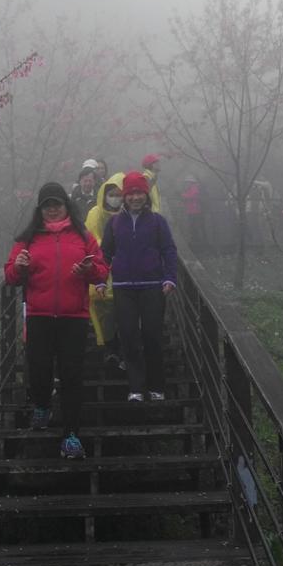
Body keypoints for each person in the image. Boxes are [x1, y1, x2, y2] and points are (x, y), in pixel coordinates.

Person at [4, 182, 109, 458]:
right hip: (38, 315)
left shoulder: (83, 236)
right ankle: (42, 404)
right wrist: (18, 267)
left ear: (66, 206)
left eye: (57, 204)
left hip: (73, 318)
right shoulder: (27, 238)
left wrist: (89, 270)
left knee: (72, 375)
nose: (52, 209)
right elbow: (10, 276)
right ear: (39, 210)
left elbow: (101, 271)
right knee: (38, 369)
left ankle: (71, 435)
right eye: (47, 205)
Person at [99, 171, 177, 401]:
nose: (135, 197)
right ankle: (135, 387)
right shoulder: (114, 223)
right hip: (124, 287)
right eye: (131, 193)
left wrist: (170, 277)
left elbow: (169, 250)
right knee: (129, 335)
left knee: (152, 335)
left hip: (153, 285)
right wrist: (100, 280)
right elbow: (105, 254)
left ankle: (156, 386)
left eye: (139, 193)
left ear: (146, 195)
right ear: (124, 196)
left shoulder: (157, 222)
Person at [84, 173, 125, 365]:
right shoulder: (96, 213)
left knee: (127, 311)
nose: (115, 198)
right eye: (112, 194)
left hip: (128, 270)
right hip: (104, 267)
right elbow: (92, 237)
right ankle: (110, 348)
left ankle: (125, 349)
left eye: (119, 194)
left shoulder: (130, 213)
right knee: (105, 311)